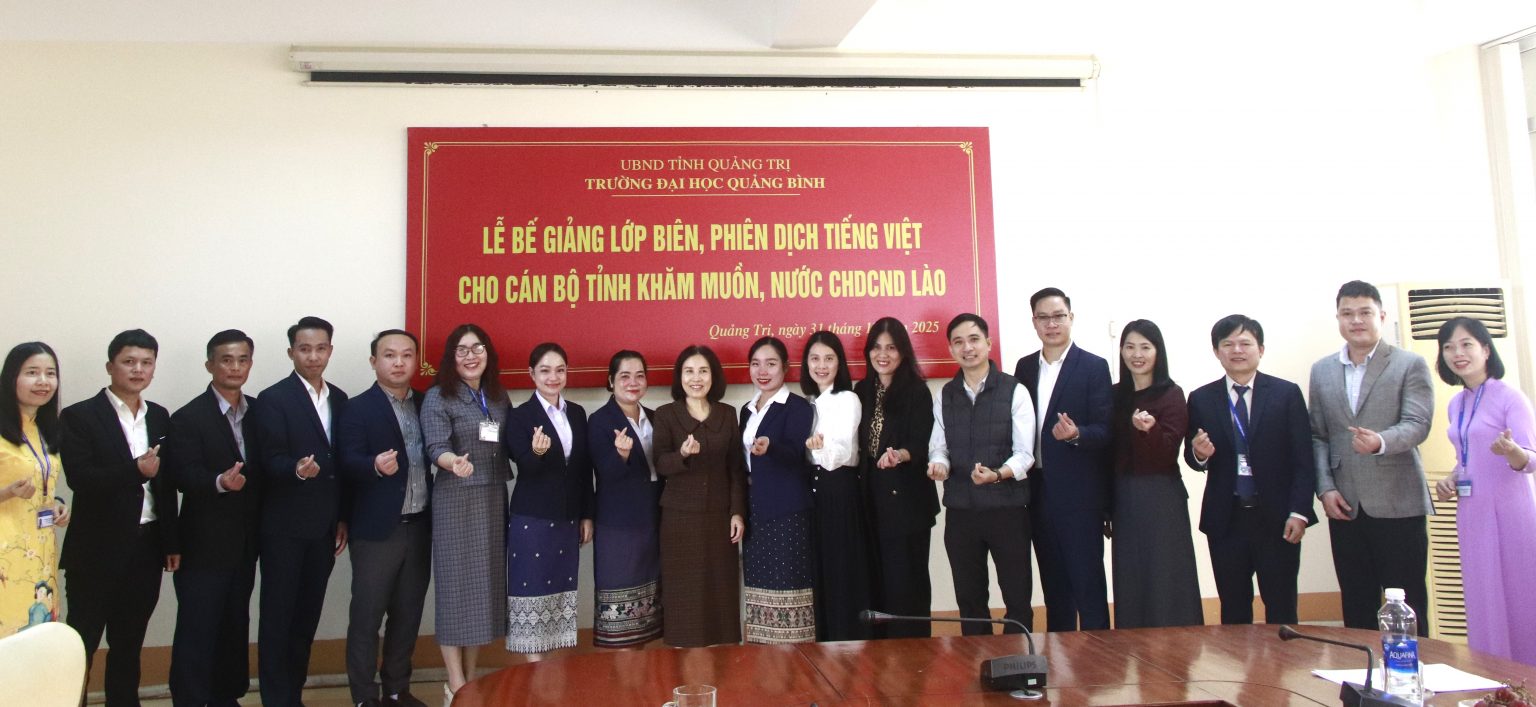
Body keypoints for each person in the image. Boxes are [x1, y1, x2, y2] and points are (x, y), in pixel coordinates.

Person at [60, 328, 180, 707]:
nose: (138, 369)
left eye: (146, 362)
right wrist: (134, 471)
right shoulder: (79, 416)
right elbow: (81, 479)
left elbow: (164, 485)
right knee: (82, 641)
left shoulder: (158, 415)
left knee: (129, 643)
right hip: (95, 550)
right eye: (129, 362)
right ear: (110, 366)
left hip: (146, 548)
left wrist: (171, 542)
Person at [1308, 281, 1434, 635]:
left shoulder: (1409, 363)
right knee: (1357, 603)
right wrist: (1325, 488)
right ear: (1338, 319)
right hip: (1345, 505)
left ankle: (1411, 667)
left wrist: (1380, 441)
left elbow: (1418, 423)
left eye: (1365, 312)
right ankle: (1361, 669)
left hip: (1398, 503)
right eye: (1347, 313)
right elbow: (1318, 435)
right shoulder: (1322, 370)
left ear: (1381, 316)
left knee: (1407, 604)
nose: (1356, 320)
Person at [1185, 314, 1316, 625]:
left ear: (1261, 349)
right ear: (1216, 351)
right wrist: (1198, 454)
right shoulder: (1201, 398)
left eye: (1245, 343)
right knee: (1234, 610)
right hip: (1226, 518)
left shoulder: (1286, 394)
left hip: (1277, 518)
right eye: (1227, 344)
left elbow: (1303, 459)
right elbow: (1191, 457)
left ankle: (1282, 658)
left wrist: (1299, 512)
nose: (1237, 350)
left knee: (1282, 608)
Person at [254, 316, 350, 707]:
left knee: (306, 617)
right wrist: (295, 469)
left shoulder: (340, 399)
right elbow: (268, 458)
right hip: (284, 528)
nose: (313, 356)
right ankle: (276, 699)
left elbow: (342, 465)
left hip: (324, 527)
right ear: (291, 352)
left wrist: (342, 516)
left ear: (330, 350)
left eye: (320, 348)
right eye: (305, 349)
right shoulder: (273, 399)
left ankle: (293, 694)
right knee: (278, 618)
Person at [1432, 316, 1536, 665]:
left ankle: (1527, 677)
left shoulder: (1511, 398)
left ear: (1486, 350)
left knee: (1520, 595)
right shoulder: (1456, 403)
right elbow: (1466, 459)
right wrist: (1450, 479)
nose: (1457, 353)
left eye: (1466, 345)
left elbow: (1531, 459)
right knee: (1483, 596)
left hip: (1510, 510)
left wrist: (1512, 451)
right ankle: (1492, 674)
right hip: (1472, 512)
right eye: (1448, 347)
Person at [166, 330, 262, 706]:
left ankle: (226, 697)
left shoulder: (259, 412)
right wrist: (219, 482)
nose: (235, 367)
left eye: (242, 359)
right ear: (210, 365)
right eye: (226, 359)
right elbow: (181, 474)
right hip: (203, 544)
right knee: (197, 627)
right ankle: (190, 699)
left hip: (246, 542)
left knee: (235, 623)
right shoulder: (188, 417)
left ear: (250, 364)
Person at [337, 329, 433, 707]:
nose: (398, 362)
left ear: (416, 361)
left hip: (419, 525)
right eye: (389, 355)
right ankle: (365, 696)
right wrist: (374, 466)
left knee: (407, 615)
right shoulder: (356, 408)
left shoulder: (427, 403)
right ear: (373, 361)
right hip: (377, 530)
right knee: (367, 616)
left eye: (407, 355)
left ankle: (397, 690)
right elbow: (346, 461)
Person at [419, 324, 510, 703]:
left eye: (477, 348)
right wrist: (452, 461)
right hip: (456, 500)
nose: (471, 356)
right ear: (451, 358)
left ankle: (471, 679)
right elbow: (435, 447)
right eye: (462, 350)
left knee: (484, 590)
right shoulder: (438, 396)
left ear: (488, 353)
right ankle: (455, 683)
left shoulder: (497, 396)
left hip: (492, 497)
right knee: (456, 590)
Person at [929, 314, 1035, 635]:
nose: (967, 348)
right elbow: (939, 447)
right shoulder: (945, 395)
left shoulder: (1014, 390)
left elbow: (1025, 454)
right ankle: (978, 660)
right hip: (962, 512)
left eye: (974, 339)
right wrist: (939, 465)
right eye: (959, 342)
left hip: (1007, 510)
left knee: (1017, 597)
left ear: (988, 343)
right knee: (970, 601)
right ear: (951, 349)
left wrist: (998, 474)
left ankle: (1021, 662)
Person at [1013, 287, 1112, 632]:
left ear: (1071, 318)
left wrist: (1076, 434)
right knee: (1054, 589)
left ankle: (1100, 657)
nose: (1051, 324)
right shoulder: (1025, 367)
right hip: (1038, 492)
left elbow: (1106, 429)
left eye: (1058, 316)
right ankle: (1059, 658)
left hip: (1080, 496)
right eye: (1043, 317)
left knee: (1088, 585)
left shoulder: (1093, 366)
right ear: (1034, 322)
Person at [1108, 320, 1202, 629]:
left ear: (1158, 352)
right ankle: (1133, 645)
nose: (1137, 355)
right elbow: (1107, 452)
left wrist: (1150, 430)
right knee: (1130, 575)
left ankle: (1177, 647)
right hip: (1124, 495)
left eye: (1145, 347)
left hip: (1162, 495)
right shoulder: (1114, 395)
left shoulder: (1171, 394)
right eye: (1130, 347)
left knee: (1167, 574)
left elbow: (1168, 452)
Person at [503, 342, 593, 655]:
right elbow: (525, 468)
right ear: (531, 374)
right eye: (545, 370)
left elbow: (583, 469)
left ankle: (552, 669)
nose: (553, 377)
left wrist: (586, 514)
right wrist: (537, 452)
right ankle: (534, 665)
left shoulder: (577, 413)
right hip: (533, 519)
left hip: (567, 518)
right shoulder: (520, 416)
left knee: (560, 593)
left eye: (559, 370)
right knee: (532, 590)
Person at [653, 345, 746, 647]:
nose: (696, 378)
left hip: (719, 518)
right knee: (685, 595)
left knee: (721, 592)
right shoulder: (666, 415)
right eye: (689, 371)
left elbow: (735, 468)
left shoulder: (727, 414)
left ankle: (721, 664)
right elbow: (660, 463)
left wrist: (737, 512)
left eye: (703, 371)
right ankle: (686, 667)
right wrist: (681, 454)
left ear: (713, 376)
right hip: (680, 519)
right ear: (679, 377)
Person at [856, 317, 937, 639]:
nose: (883, 355)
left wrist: (900, 455)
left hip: (907, 502)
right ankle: (881, 648)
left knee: (906, 581)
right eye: (877, 347)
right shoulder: (862, 390)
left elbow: (922, 444)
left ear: (903, 351)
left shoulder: (917, 391)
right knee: (877, 580)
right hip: (870, 499)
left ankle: (913, 648)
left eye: (891, 347)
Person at [738, 336, 817, 644]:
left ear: (785, 367)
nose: (763, 371)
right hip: (756, 512)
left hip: (787, 512)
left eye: (771, 364)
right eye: (756, 364)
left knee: (789, 587)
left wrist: (771, 447)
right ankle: (763, 661)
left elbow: (796, 453)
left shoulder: (798, 407)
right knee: (759, 591)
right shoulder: (746, 410)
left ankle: (796, 661)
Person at [587, 350, 663, 648]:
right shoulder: (600, 420)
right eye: (625, 376)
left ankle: (643, 673)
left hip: (653, 520)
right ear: (611, 381)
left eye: (639, 376)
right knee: (620, 620)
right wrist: (620, 454)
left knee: (648, 615)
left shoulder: (656, 417)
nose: (633, 382)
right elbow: (602, 473)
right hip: (619, 526)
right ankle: (623, 675)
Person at [802, 331, 872, 641]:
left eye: (829, 359)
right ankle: (824, 642)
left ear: (839, 363)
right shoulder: (807, 402)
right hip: (813, 491)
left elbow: (839, 454)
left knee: (842, 568)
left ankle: (847, 644)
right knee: (820, 568)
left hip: (839, 488)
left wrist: (819, 448)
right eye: (815, 358)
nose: (821, 365)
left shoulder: (848, 399)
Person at [0, 342, 70, 636]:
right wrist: (7, 493)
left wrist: (56, 503)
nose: (43, 381)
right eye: (32, 372)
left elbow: (42, 483)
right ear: (11, 377)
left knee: (35, 639)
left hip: (39, 553)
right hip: (5, 553)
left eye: (50, 373)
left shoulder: (44, 429)